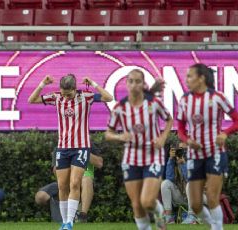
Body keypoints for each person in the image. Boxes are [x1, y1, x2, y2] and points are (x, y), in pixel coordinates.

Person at [28, 73, 113, 230]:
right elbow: (31, 100)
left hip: (81, 147)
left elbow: (109, 97)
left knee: (75, 183)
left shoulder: (86, 97)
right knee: (62, 186)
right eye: (64, 94)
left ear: (75, 89)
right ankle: (64, 222)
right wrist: (43, 83)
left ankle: (69, 222)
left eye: (69, 94)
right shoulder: (56, 97)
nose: (66, 98)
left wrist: (93, 82)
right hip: (63, 148)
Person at [177, 63, 238, 230]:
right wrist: (187, 140)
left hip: (215, 153)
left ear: (201, 78)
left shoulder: (217, 97)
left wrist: (225, 134)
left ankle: (217, 228)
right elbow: (180, 129)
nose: (187, 79)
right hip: (194, 155)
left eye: (190, 76)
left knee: (213, 197)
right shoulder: (185, 100)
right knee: (196, 204)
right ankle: (214, 225)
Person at [105, 69, 173, 230]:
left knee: (147, 201)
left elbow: (169, 119)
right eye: (131, 81)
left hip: (153, 155)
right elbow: (108, 133)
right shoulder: (120, 108)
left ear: (143, 84)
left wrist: (163, 138)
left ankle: (159, 212)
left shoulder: (153, 103)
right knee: (137, 205)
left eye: (137, 81)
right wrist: (119, 137)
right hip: (131, 158)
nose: (134, 84)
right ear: (126, 83)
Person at [35, 147, 104, 223]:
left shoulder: (89, 145)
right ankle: (58, 209)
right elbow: (56, 171)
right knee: (40, 196)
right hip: (65, 182)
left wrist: (83, 150)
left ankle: (82, 216)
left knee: (86, 180)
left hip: (84, 182)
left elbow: (99, 163)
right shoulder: (61, 146)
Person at [161, 143, 199, 224]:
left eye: (183, 150)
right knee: (165, 183)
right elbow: (169, 178)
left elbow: (190, 179)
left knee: (190, 184)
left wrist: (183, 164)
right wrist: (171, 159)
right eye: (179, 150)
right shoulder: (175, 162)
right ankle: (169, 217)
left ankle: (192, 217)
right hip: (182, 196)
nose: (181, 152)